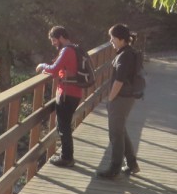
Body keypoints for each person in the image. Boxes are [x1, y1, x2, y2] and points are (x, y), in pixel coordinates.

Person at [96, 23, 142, 180]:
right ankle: (131, 164)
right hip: (126, 97)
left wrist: (110, 99)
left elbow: (119, 81)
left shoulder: (124, 56)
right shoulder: (128, 52)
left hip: (121, 98)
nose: (111, 41)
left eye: (113, 38)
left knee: (115, 133)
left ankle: (114, 168)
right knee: (120, 129)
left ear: (122, 39)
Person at [36, 25, 85, 167]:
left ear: (61, 38)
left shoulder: (67, 51)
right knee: (64, 124)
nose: (53, 43)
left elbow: (54, 68)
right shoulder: (75, 49)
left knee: (63, 126)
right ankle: (66, 155)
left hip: (67, 94)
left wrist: (42, 65)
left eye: (54, 40)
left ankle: (67, 158)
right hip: (75, 93)